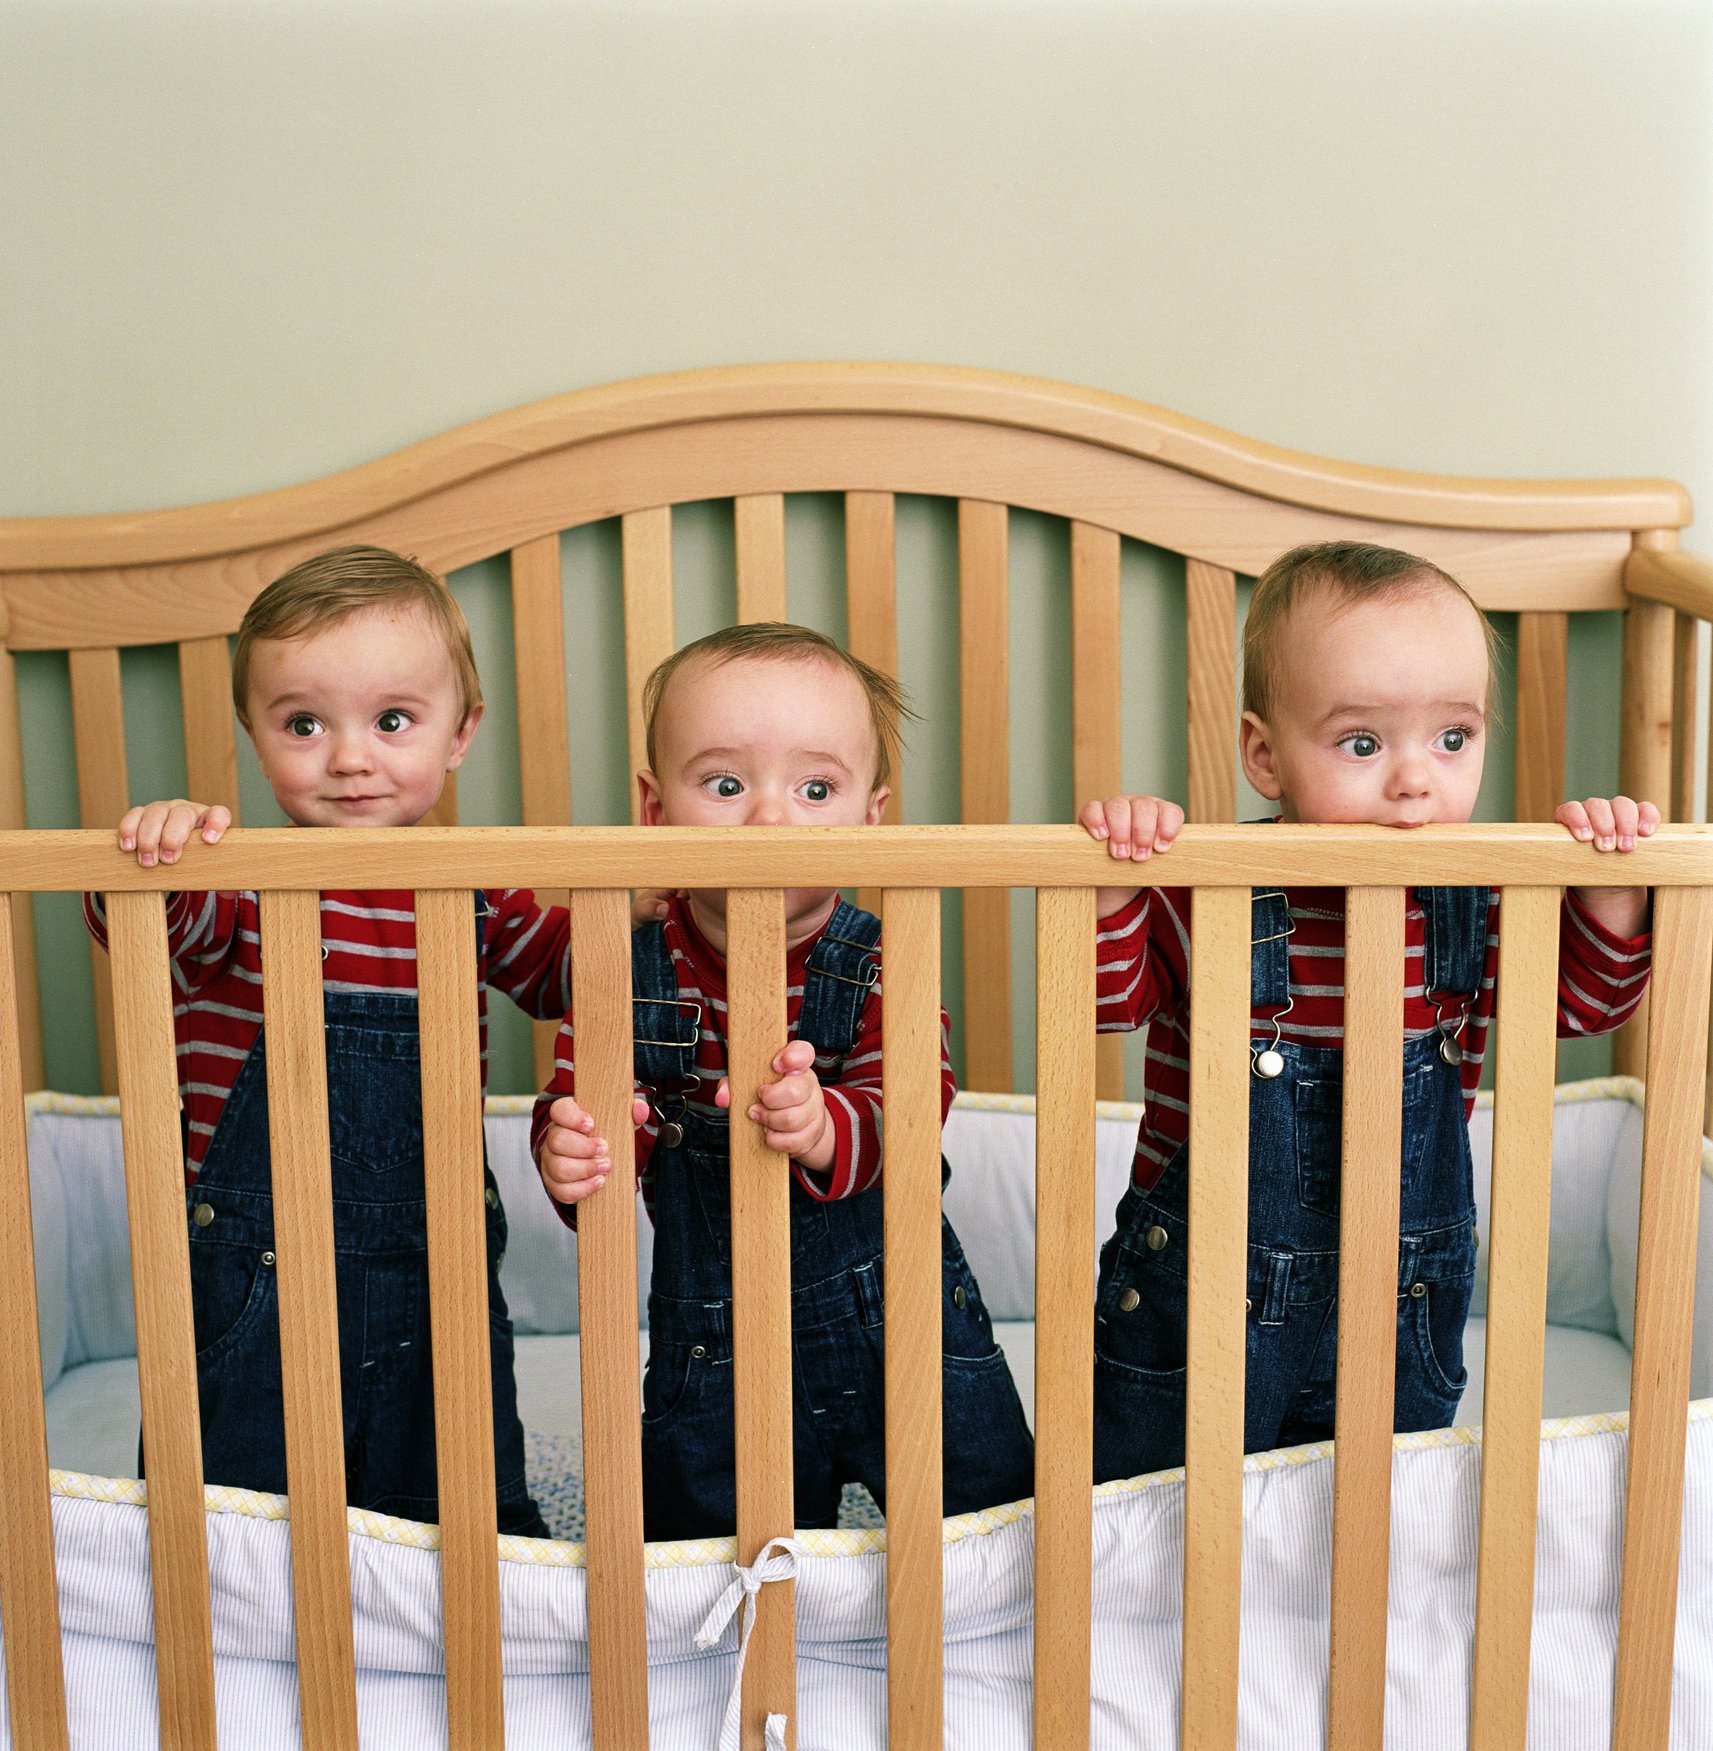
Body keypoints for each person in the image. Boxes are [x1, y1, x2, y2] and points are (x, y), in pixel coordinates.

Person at [1079, 540, 1656, 1482]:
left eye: (1452, 738)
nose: (1414, 781)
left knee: (1381, 1509)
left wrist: (1608, 887)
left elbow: (1586, 1005)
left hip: (1399, 1297)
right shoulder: (1215, 890)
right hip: (1203, 1293)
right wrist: (1115, 882)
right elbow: (1104, 1002)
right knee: (1156, 1513)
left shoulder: (1469, 896)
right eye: (1361, 743)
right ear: (1264, 755)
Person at [88, 544, 562, 1535]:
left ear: (461, 732)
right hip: (251, 1271)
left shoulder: (475, 891)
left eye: (393, 721)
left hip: (434, 1264)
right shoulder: (238, 883)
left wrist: (664, 904)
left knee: (453, 1492)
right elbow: (147, 920)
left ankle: (462, 1631)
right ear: (255, 736)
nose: (349, 757)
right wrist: (156, 853)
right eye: (304, 722)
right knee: (232, 1504)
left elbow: (577, 971)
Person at [533, 623, 1034, 1538]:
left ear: (870, 819)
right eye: (725, 785)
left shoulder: (883, 957)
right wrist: (570, 1150)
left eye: (814, 789)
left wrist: (827, 1125)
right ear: (654, 808)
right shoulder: (619, 968)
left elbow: (911, 1109)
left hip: (903, 1325)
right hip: (713, 1346)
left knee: (991, 1531)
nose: (770, 820)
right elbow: (587, 1107)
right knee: (702, 1557)